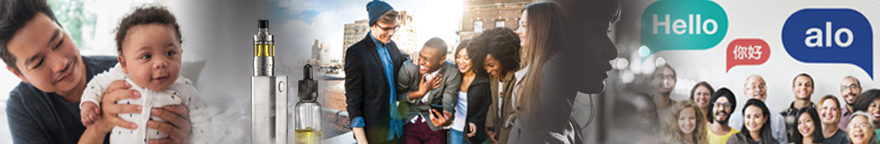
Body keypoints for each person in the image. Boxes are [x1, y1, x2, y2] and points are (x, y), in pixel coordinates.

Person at [1, 0, 191, 143]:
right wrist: (100, 126)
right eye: (39, 62)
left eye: (59, 42)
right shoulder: (23, 107)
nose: (61, 64)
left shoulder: (128, 71)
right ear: (19, 74)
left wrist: (185, 134)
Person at [75, 5, 212, 143]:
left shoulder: (185, 89)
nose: (161, 63)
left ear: (180, 54)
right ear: (124, 64)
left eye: (170, 53)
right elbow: (96, 84)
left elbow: (203, 123)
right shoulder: (119, 76)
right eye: (146, 56)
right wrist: (89, 102)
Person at [344, 0, 407, 143]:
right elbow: (353, 101)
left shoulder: (392, 46)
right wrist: (362, 141)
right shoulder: (356, 53)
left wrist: (415, 55)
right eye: (386, 29)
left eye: (394, 28)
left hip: (397, 131)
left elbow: (403, 60)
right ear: (372, 25)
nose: (391, 33)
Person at [396, 37, 460, 144]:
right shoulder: (409, 67)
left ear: (442, 60)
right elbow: (397, 95)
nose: (421, 62)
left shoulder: (452, 72)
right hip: (410, 117)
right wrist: (419, 93)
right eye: (420, 56)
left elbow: (449, 101)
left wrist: (447, 117)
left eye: (427, 59)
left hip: (434, 121)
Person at [467, 27, 521, 144]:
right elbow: (493, 102)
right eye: (485, 66)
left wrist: (501, 141)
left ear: (504, 58)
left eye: (491, 65)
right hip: (496, 132)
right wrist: (488, 127)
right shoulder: (494, 76)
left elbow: (512, 114)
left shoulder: (517, 77)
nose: (488, 70)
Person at [447, 39, 492, 144]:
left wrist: (475, 121)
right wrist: (415, 55)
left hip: (475, 131)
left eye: (466, 58)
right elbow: (437, 62)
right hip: (456, 128)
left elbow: (486, 107)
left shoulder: (484, 81)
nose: (461, 61)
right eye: (458, 57)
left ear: (475, 58)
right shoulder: (454, 75)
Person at [729, 75, 789, 144]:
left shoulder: (778, 119)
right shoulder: (734, 119)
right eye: (753, 87)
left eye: (761, 86)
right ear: (745, 92)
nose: (758, 90)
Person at [786, 73, 817, 141]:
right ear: (793, 89)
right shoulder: (782, 116)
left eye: (807, 85)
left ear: (812, 90)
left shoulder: (820, 114)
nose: (803, 87)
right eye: (799, 84)